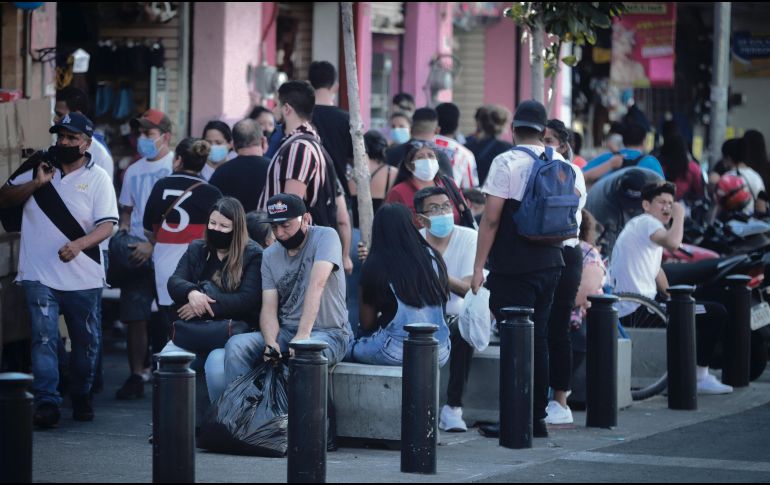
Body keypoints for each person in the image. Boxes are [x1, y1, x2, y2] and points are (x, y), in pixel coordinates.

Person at [0, 112, 118, 427]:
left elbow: (108, 225)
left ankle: (80, 393)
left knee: (85, 342)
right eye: (61, 137)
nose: (64, 143)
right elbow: (5, 197)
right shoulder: (39, 166)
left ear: (86, 143)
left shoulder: (98, 178)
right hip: (38, 274)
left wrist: (78, 245)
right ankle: (47, 402)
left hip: (83, 276)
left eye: (71, 138)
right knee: (43, 338)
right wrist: (36, 184)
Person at [471, 100, 573, 439]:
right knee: (539, 338)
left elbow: (491, 218)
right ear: (544, 131)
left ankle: (515, 417)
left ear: (513, 129)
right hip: (552, 262)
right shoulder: (558, 160)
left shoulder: (507, 161)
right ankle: (536, 418)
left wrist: (477, 266)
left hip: (514, 266)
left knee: (514, 340)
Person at [609, 182, 733, 395]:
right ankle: (699, 377)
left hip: (640, 306)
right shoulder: (647, 222)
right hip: (637, 308)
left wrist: (669, 297)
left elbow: (656, 271)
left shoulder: (641, 227)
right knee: (715, 312)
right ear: (646, 205)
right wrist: (680, 214)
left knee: (695, 308)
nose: (667, 207)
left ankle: (690, 373)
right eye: (662, 203)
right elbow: (674, 243)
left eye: (670, 203)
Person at [224, 193, 351, 387]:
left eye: (286, 225)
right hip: (286, 332)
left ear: (306, 219)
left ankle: (306, 417)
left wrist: (302, 335)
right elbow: (269, 306)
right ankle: (243, 413)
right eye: (274, 227)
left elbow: (317, 285)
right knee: (236, 346)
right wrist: (270, 342)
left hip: (329, 332)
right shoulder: (269, 255)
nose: (280, 233)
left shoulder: (326, 236)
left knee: (304, 352)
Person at [165, 197, 263, 408]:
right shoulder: (197, 249)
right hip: (195, 330)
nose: (216, 229)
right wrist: (192, 293)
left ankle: (221, 422)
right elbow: (175, 282)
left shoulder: (253, 254)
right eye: (212, 223)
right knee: (167, 361)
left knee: (216, 366)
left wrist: (200, 307)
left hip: (230, 332)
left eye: (224, 226)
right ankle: (168, 425)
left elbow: (247, 300)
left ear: (237, 228)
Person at [256, 80, 352, 276]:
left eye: (276, 104)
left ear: (287, 109)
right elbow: (342, 215)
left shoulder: (299, 148)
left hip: (293, 257)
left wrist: (275, 251)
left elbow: (289, 208)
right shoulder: (310, 144)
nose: (274, 110)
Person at [115, 108, 174, 400]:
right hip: (137, 251)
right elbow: (126, 210)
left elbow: (178, 216)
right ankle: (136, 374)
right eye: (140, 133)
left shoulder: (175, 167)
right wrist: (124, 233)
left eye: (148, 134)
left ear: (165, 136)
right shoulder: (133, 171)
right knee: (135, 314)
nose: (143, 139)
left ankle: (168, 372)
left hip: (167, 253)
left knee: (167, 317)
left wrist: (154, 243)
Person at [346, 203, 450, 366]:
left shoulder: (375, 264)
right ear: (410, 226)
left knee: (348, 348)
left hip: (397, 351)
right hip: (440, 350)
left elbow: (366, 323)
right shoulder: (433, 257)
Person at [142, 138, 223, 338]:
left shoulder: (161, 186)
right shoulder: (212, 192)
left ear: (177, 159)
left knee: (166, 323)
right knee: (195, 323)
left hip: (164, 264)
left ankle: (164, 363)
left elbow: (148, 229)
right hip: (198, 266)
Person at [412, 187, 478, 431]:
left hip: (454, 315)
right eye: (435, 208)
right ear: (421, 218)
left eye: (446, 207)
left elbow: (468, 289)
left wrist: (435, 273)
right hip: (419, 314)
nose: (443, 213)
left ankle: (453, 408)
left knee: (464, 327)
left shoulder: (468, 238)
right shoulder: (414, 240)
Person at [542, 119, 588, 425]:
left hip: (564, 251)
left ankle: (560, 399)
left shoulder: (569, 172)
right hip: (540, 254)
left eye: (549, 139)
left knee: (557, 327)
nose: (544, 143)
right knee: (538, 327)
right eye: (540, 137)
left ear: (562, 144)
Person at [584, 166, 663, 257]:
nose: (631, 209)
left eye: (635, 204)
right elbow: (605, 247)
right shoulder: (602, 204)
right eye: (628, 204)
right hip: (603, 210)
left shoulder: (659, 186)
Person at [385, 144, 467, 228]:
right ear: (408, 165)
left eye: (431, 156)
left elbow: (464, 210)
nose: (427, 161)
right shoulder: (398, 192)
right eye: (420, 157)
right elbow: (390, 225)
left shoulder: (449, 184)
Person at [309, 60, 354, 198]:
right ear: (335, 87)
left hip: (308, 191)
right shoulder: (346, 119)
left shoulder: (302, 116)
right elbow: (358, 160)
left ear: (310, 85)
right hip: (338, 192)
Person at [209, 119, 270, 213]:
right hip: (266, 226)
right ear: (263, 140)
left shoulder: (221, 172)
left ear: (233, 145)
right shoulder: (275, 169)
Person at [55, 87, 115, 181]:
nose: (55, 119)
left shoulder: (100, 156)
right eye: (61, 136)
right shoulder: (57, 145)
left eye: (60, 114)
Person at [583, 122, 664, 184]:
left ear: (623, 141)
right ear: (644, 141)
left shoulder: (606, 157)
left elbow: (579, 177)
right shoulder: (651, 161)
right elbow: (663, 187)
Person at [385, 107, 453, 178]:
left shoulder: (391, 153)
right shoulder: (441, 157)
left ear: (411, 128)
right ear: (437, 130)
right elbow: (450, 186)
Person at [464, 105, 514, 186]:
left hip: (470, 195)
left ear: (480, 123)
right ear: (504, 125)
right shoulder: (509, 150)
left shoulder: (466, 146)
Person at [434, 102, 479, 189]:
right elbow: (471, 190)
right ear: (457, 124)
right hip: (451, 201)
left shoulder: (421, 146)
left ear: (435, 122)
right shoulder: (465, 154)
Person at [721, 138, 767, 215]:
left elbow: (717, 207)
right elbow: (761, 208)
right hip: (751, 225)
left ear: (728, 158)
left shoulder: (726, 178)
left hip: (729, 224)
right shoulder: (756, 177)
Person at [658, 133, 705, 205]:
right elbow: (699, 190)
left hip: (660, 204)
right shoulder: (693, 168)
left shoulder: (659, 166)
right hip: (684, 207)